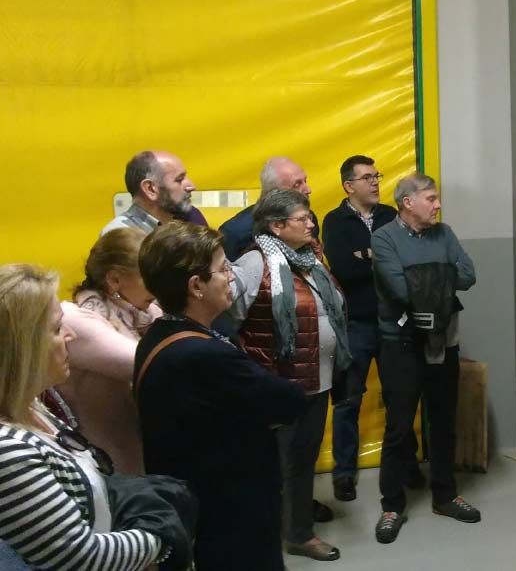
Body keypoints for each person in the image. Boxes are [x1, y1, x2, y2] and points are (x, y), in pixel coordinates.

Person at [135, 222, 307, 570]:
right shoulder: (202, 354)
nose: (232, 277)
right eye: (224, 268)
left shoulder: (159, 334)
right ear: (196, 286)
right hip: (230, 511)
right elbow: (288, 400)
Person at [0, 263, 166, 570]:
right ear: (21, 348)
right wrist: (162, 532)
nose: (71, 335)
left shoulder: (30, 407)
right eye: (56, 329)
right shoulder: (8, 449)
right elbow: (81, 557)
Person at [228, 189, 350, 562]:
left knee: (302, 461)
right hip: (277, 385)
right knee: (276, 465)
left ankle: (298, 533)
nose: (311, 223)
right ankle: (269, 537)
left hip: (318, 380)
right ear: (277, 226)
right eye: (303, 219)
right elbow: (228, 320)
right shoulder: (255, 263)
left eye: (310, 217)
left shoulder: (310, 260)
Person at [370, 173, 479, 544]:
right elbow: (401, 291)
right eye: (430, 198)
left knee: (444, 421)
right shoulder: (384, 237)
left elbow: (469, 275)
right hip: (401, 344)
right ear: (407, 203)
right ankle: (392, 505)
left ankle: (445, 496)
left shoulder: (444, 233)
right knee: (399, 427)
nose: (438, 205)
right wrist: (442, 276)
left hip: (443, 341)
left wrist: (422, 278)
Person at [322, 155, 406, 502]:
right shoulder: (335, 220)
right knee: (348, 401)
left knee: (399, 397)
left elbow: (403, 261)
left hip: (393, 322)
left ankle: (405, 466)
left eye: (376, 176)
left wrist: (367, 256)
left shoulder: (390, 215)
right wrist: (380, 258)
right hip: (355, 324)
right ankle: (344, 473)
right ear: (349, 186)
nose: (375, 182)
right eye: (367, 177)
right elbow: (343, 268)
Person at [57, 227, 160, 475]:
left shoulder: (138, 311)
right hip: (109, 465)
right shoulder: (78, 320)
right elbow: (152, 362)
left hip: (136, 452)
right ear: (114, 280)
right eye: (150, 276)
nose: (159, 286)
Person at [220, 157, 319, 261]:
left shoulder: (308, 219)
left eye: (305, 181)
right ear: (273, 193)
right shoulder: (234, 233)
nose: (308, 190)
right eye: (297, 185)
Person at [102, 150, 196, 235]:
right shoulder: (121, 236)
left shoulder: (190, 221)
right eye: (179, 180)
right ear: (150, 189)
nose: (191, 187)